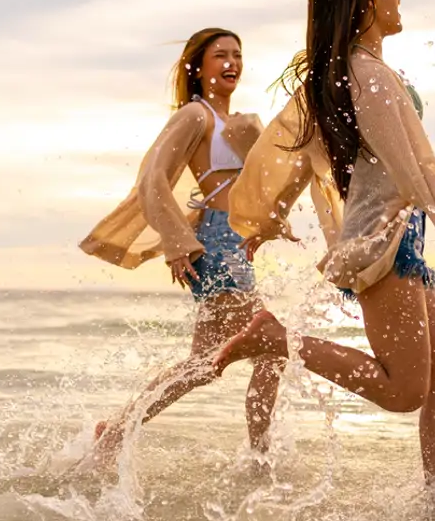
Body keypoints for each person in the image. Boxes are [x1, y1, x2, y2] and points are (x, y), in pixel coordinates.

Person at [217, 0, 435, 520]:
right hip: (381, 246)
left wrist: (267, 218)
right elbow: (418, 178)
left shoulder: (362, 74)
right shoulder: (368, 77)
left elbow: (317, 157)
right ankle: (274, 337)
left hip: (399, 236)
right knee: (404, 390)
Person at [79, 28, 284, 464]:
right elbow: (153, 179)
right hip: (214, 246)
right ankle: (260, 458)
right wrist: (176, 243)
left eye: (237, 56)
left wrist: (270, 224)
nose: (232, 64)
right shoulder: (196, 115)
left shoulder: (236, 122)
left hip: (233, 244)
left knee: (206, 363)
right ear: (199, 67)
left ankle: (115, 431)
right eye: (220, 56)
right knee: (270, 350)